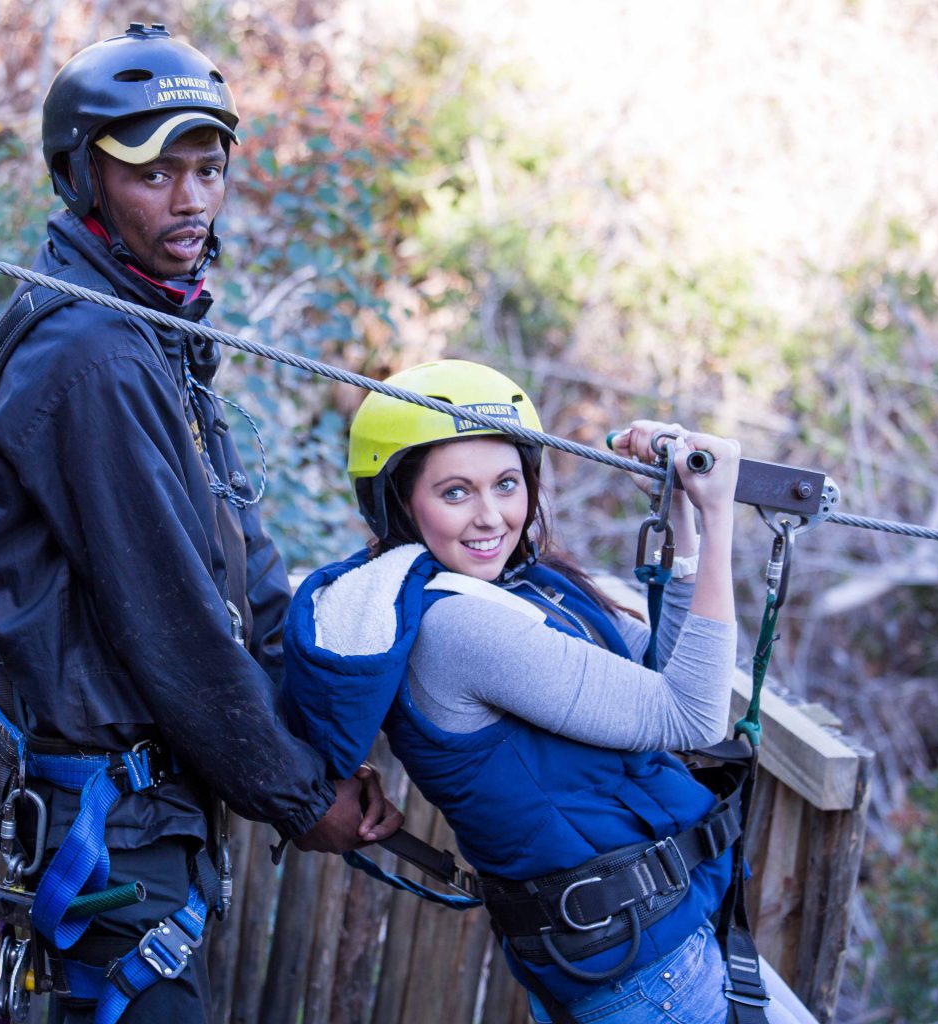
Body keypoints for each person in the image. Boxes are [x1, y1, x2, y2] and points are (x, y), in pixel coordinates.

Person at [0, 23, 401, 1024]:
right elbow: (174, 621)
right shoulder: (96, 357)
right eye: (158, 172)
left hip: (142, 814)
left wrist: (325, 721)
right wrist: (300, 795)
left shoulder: (152, 334)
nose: (192, 198)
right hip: (112, 819)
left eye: (209, 168)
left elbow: (241, 563)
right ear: (87, 178)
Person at [280, 360, 818, 1024]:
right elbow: (693, 712)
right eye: (455, 492)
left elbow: (662, 672)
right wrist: (719, 522)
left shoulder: (525, 586)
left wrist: (680, 507)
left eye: (507, 484)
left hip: (661, 943)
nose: (490, 517)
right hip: (648, 976)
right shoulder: (458, 627)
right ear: (398, 501)